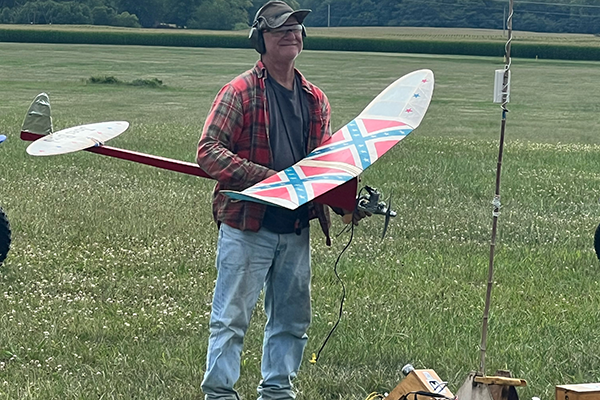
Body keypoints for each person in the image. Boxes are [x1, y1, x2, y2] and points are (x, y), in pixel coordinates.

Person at [196, 2, 365, 398]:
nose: (291, 34)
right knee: (231, 318)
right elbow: (208, 150)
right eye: (280, 30)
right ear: (261, 40)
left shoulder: (315, 99)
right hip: (247, 224)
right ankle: (219, 393)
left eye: (296, 29)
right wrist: (267, 179)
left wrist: (345, 200)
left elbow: (324, 164)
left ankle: (277, 391)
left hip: (294, 228)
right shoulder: (239, 92)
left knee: (292, 320)